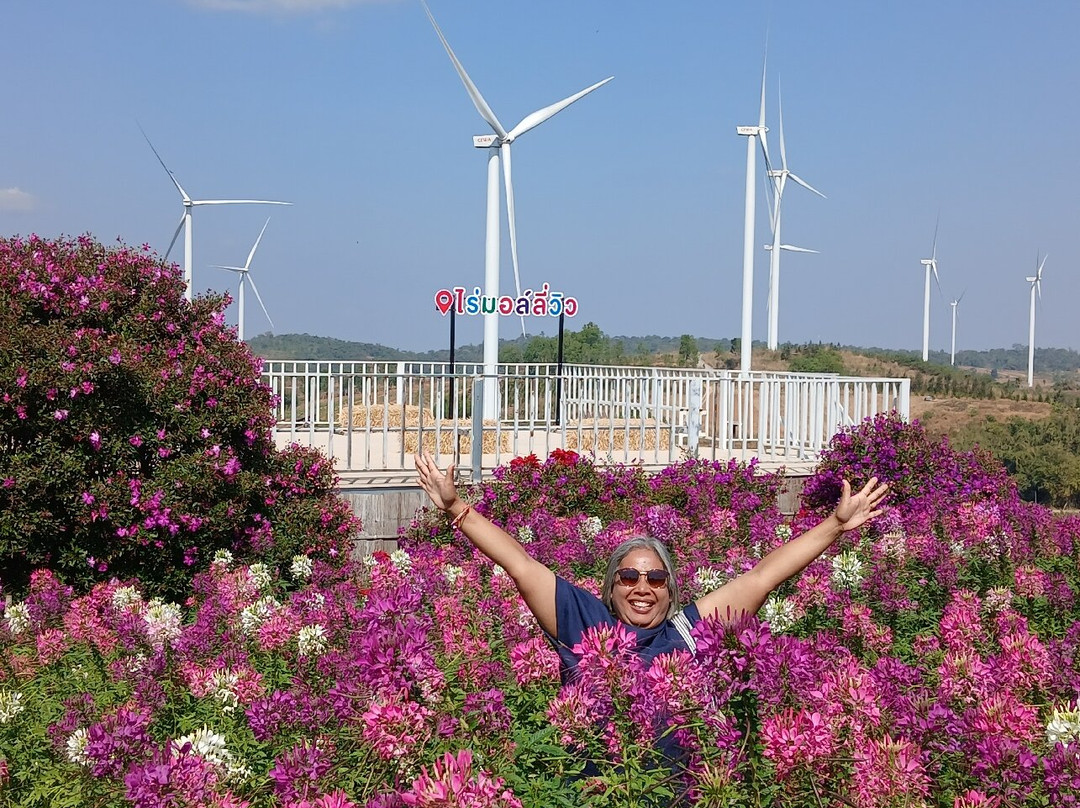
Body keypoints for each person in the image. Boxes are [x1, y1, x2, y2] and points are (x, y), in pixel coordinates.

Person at [414, 451, 888, 680]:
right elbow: (519, 563)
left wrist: (834, 526)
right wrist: (457, 507)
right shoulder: (585, 622)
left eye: (656, 577)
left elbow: (763, 576)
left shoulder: (687, 631)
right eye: (630, 575)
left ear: (670, 589)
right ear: (611, 586)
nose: (643, 586)